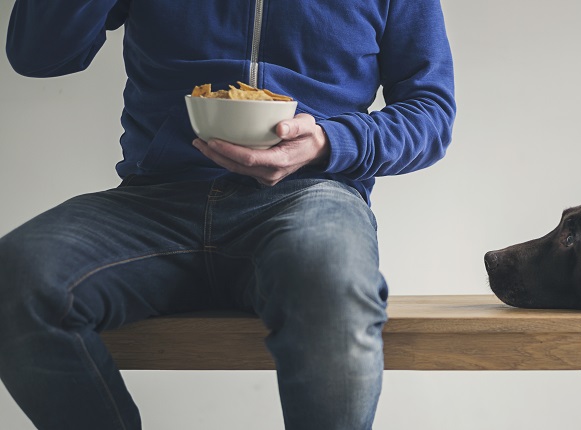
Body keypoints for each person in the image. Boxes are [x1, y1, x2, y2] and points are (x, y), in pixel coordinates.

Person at [0, 0, 455, 429]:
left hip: (307, 197)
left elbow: (431, 112)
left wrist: (327, 142)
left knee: (332, 280)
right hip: (154, 200)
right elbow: (38, 56)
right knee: (17, 276)